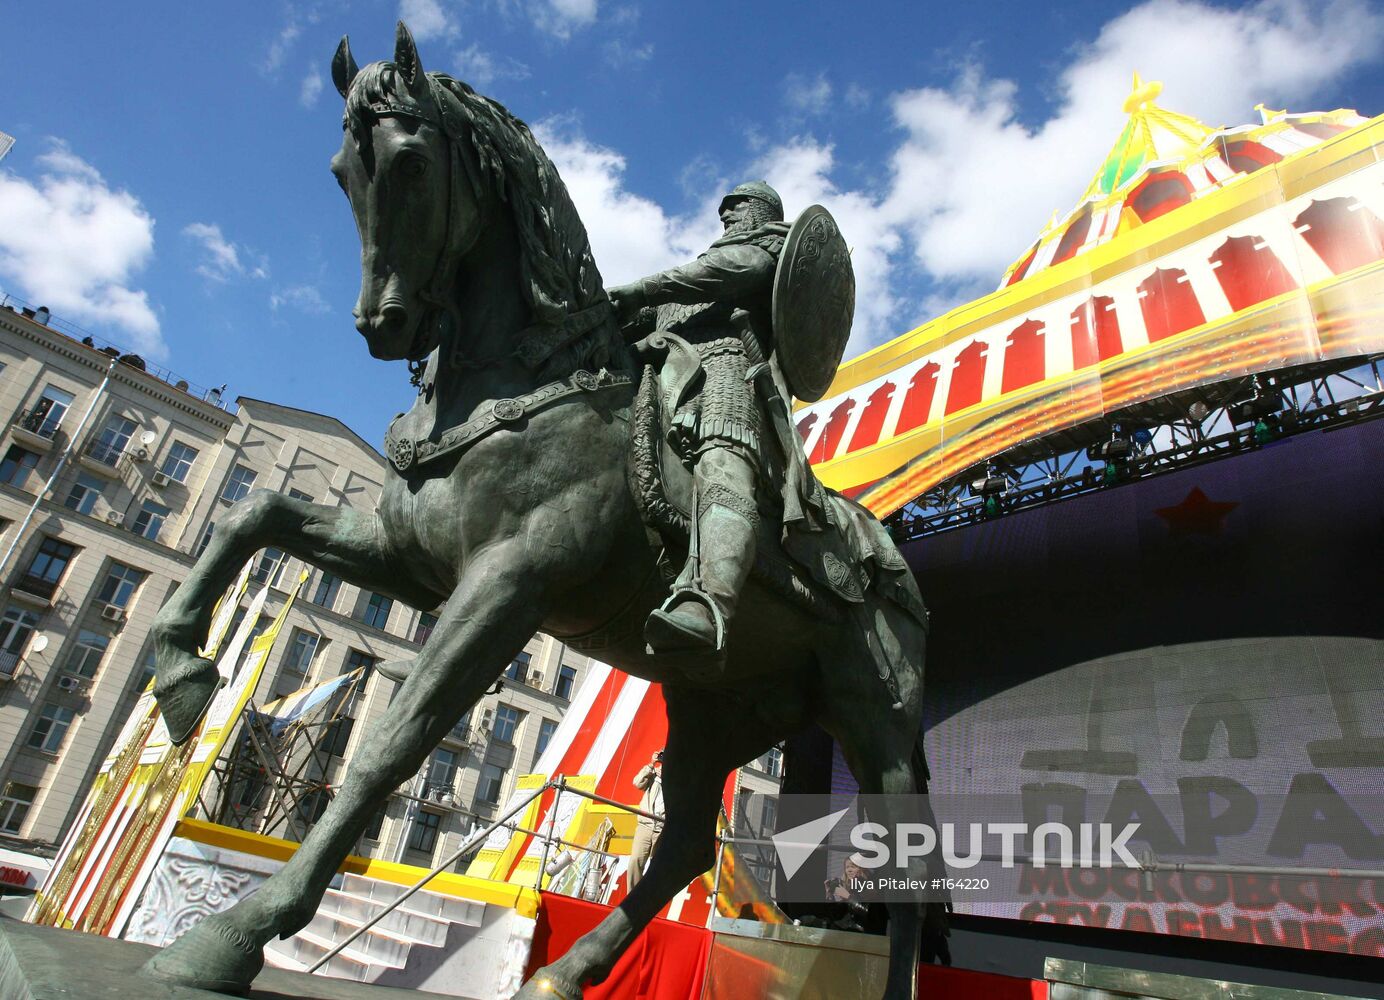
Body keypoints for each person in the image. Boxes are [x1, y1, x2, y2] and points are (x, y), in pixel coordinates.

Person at [607, 181, 796, 658]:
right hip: (661, 374)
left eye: (738, 206)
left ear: (762, 210)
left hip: (726, 370)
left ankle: (710, 602)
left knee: (721, 462)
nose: (726, 215)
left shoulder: (767, 251)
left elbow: (733, 270)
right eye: (724, 209)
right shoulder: (683, 285)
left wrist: (639, 289)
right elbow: (633, 319)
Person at [627, 749, 665, 889]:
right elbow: (637, 783)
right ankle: (632, 897)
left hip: (663, 828)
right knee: (636, 860)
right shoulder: (653, 773)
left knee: (657, 867)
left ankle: (649, 896)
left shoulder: (679, 778)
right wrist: (651, 765)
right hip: (646, 824)